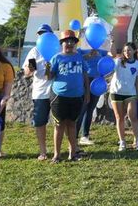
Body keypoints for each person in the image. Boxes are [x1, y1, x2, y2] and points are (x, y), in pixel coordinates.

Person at [45, 30, 89, 163]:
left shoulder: (80, 57)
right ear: (62, 43)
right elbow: (50, 77)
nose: (69, 44)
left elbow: (85, 76)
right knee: (59, 126)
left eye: (72, 41)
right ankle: (56, 155)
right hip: (59, 97)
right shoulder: (57, 58)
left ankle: (73, 154)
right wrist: (47, 70)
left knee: (72, 124)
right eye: (66, 41)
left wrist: (87, 94)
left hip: (77, 97)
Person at [23, 23, 54, 160]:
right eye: (40, 34)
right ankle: (43, 151)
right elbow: (27, 73)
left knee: (62, 122)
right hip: (40, 93)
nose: (42, 36)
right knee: (40, 123)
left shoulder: (57, 49)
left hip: (56, 92)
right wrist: (30, 69)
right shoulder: (33, 52)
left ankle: (59, 149)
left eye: (45, 34)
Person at [109, 42, 138, 151]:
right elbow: (111, 66)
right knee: (119, 118)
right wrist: (112, 43)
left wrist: (137, 93)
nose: (127, 53)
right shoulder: (118, 61)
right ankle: (122, 142)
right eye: (124, 51)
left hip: (131, 93)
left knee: (132, 116)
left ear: (135, 51)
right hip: (116, 92)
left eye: (129, 50)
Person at [76, 44, 109, 147]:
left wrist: (112, 42)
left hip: (98, 82)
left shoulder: (101, 50)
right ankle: (74, 136)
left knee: (90, 109)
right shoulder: (80, 49)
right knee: (82, 108)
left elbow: (110, 57)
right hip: (85, 80)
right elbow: (76, 60)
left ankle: (85, 136)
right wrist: (88, 56)